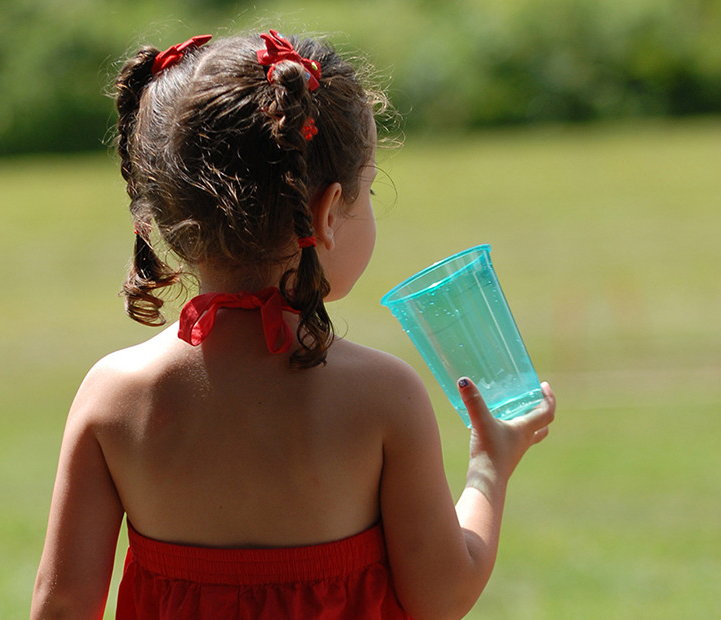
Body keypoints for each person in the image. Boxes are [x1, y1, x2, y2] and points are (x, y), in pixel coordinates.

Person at [30, 30, 555, 620]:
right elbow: (441, 596)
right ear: (328, 213)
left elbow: (64, 604)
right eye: (371, 188)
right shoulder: (383, 396)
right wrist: (489, 466)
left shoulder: (114, 395)